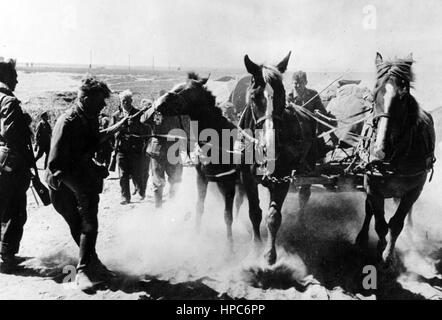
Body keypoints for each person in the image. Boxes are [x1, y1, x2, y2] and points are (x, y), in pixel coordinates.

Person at [46, 76, 128, 291]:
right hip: (62, 185)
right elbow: (56, 166)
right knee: (85, 225)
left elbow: (90, 142)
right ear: (84, 98)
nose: (103, 105)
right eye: (99, 100)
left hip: (77, 178)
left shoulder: (88, 117)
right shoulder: (68, 121)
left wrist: (118, 126)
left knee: (86, 226)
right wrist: (82, 187)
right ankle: (83, 271)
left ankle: (93, 264)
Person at [0, 59, 37, 273]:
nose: (17, 80)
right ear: (5, 77)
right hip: (10, 164)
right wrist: (24, 124)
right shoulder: (10, 102)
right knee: (15, 210)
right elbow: (12, 136)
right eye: (14, 76)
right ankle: (7, 255)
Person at [141, 92, 184, 209]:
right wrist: (155, 106)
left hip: (173, 151)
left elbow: (184, 128)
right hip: (157, 152)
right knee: (158, 182)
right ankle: (158, 208)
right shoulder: (154, 112)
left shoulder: (176, 113)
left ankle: (172, 206)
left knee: (176, 180)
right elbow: (142, 119)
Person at [287, 70, 339, 160]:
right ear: (291, 83)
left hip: (311, 127)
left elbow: (323, 111)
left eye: (301, 83)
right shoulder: (289, 97)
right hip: (295, 129)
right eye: (295, 83)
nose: (298, 86)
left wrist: (319, 112)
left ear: (306, 82)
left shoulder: (313, 94)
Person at [114, 90, 150, 204]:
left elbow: (145, 130)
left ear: (131, 101)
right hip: (121, 149)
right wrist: (118, 133)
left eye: (128, 101)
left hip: (136, 149)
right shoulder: (116, 116)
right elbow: (111, 131)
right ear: (120, 102)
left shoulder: (138, 113)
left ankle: (141, 191)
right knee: (123, 174)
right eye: (123, 101)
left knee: (137, 172)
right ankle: (125, 197)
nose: (126, 103)